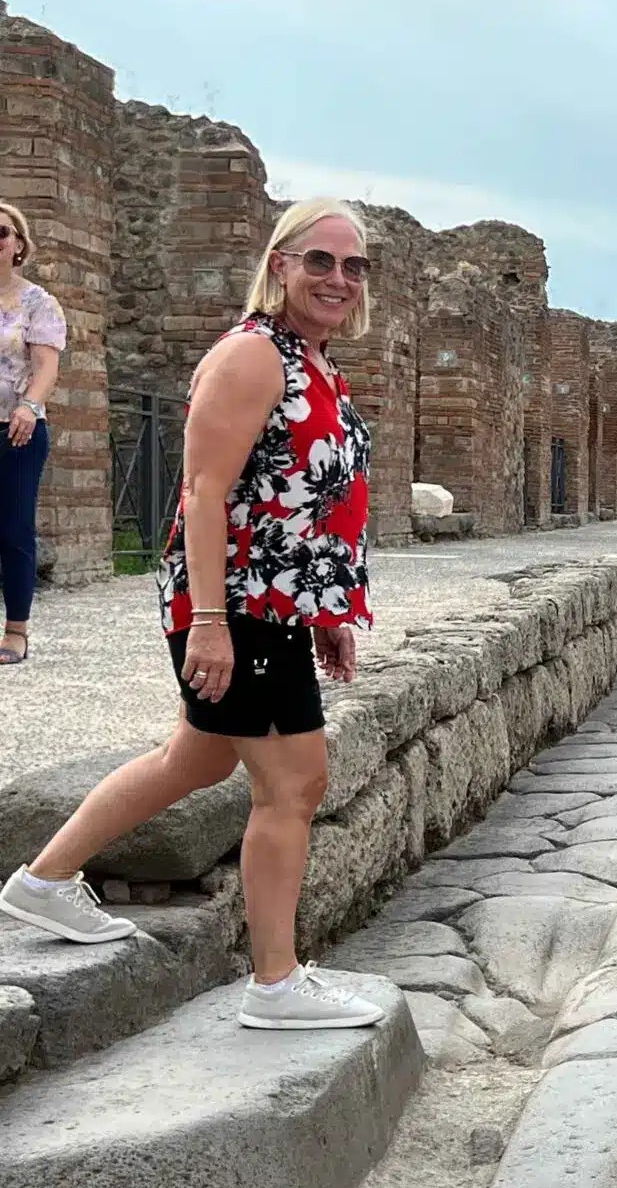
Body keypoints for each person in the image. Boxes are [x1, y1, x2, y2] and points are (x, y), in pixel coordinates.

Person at [0, 198, 385, 1031]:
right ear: (280, 264)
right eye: (320, 260)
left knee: (196, 758)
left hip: (274, 604)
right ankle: (276, 986)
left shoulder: (313, 361)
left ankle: (43, 881)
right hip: (237, 606)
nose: (339, 278)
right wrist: (210, 622)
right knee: (294, 783)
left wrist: (325, 611)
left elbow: (299, 498)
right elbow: (204, 494)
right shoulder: (253, 355)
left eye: (354, 266)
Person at [0, 203, 66, 666]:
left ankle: (16, 630)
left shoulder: (38, 303)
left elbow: (46, 368)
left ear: (18, 244)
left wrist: (29, 405)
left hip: (16, 432)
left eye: (1, 233)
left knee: (13, 530)